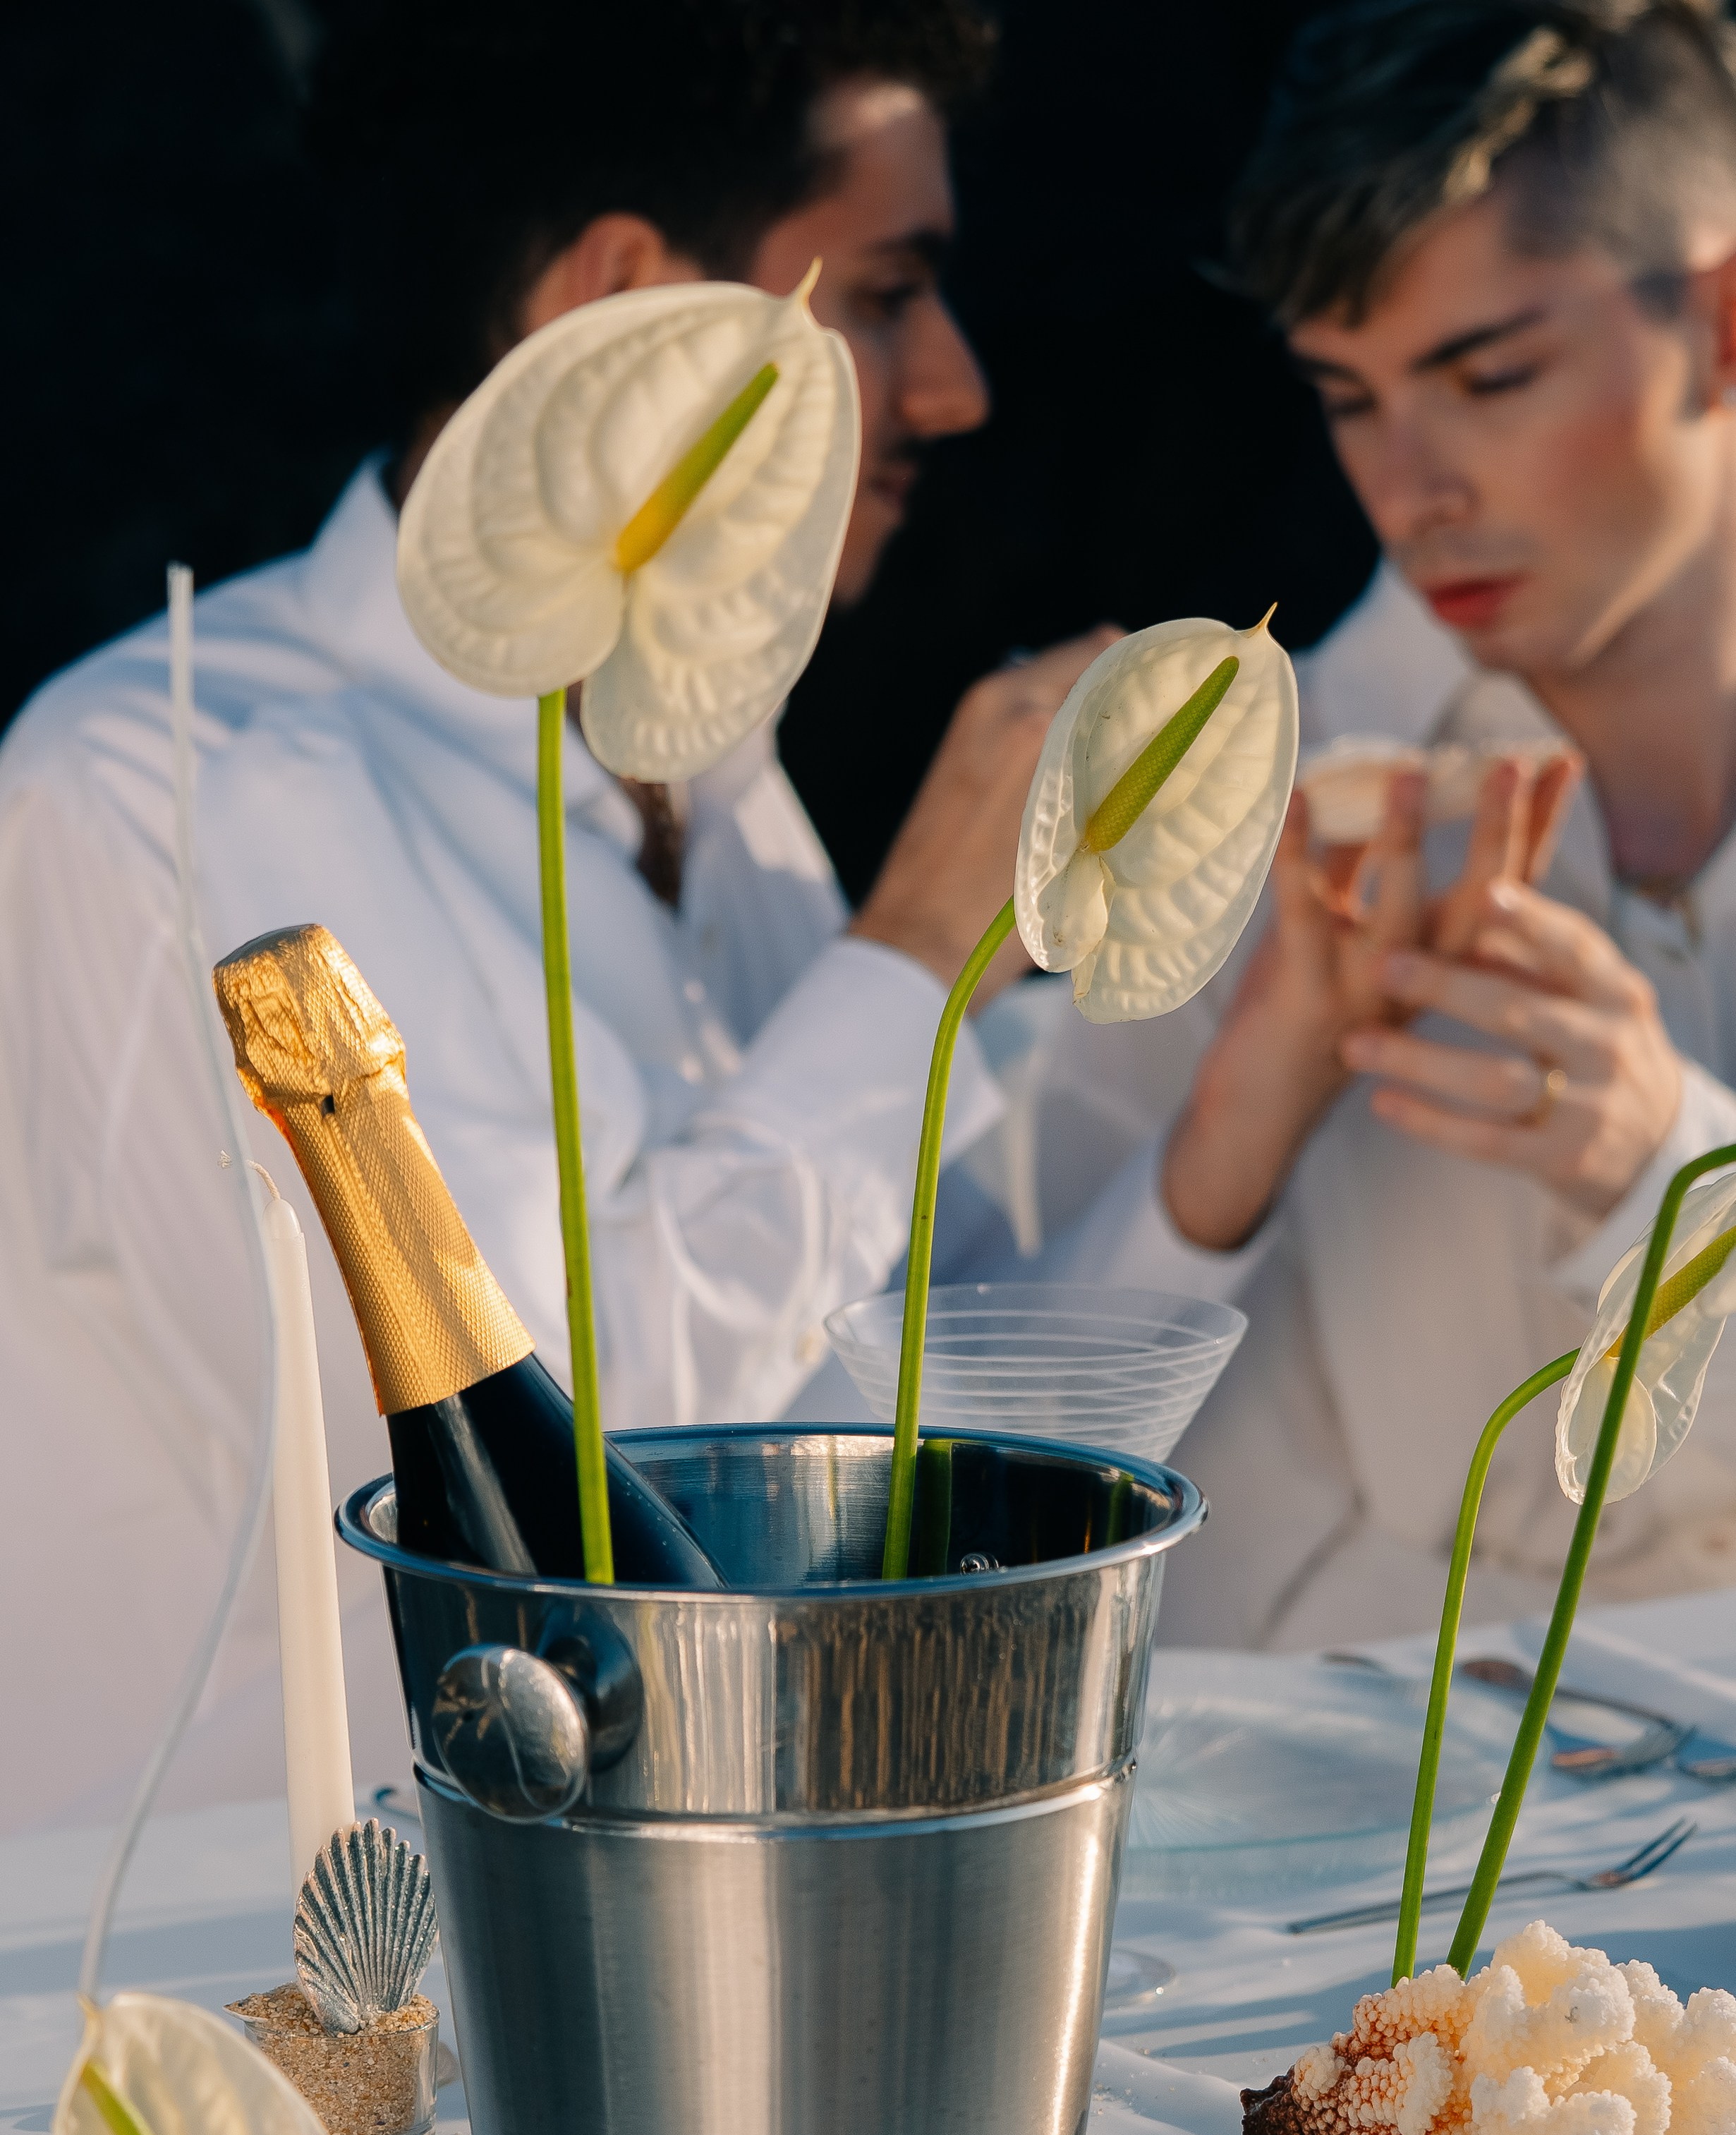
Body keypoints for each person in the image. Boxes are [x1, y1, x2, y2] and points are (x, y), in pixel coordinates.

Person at [0, 0, 1229, 1829]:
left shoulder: (701, 769)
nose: (956, 382)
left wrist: (1269, 1086)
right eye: (885, 295)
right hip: (293, 2014)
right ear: (618, 307)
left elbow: (903, 1419)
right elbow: (515, 1501)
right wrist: (909, 948)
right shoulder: (155, 782)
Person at [1147, 0, 1736, 1648]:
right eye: (1347, 397)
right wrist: (1224, 1147)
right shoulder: (1241, 807)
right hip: (1413, 1863)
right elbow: (1035, 1484)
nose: (1410, 489)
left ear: (1723, 321)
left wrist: (1669, 1172)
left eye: (1487, 376)